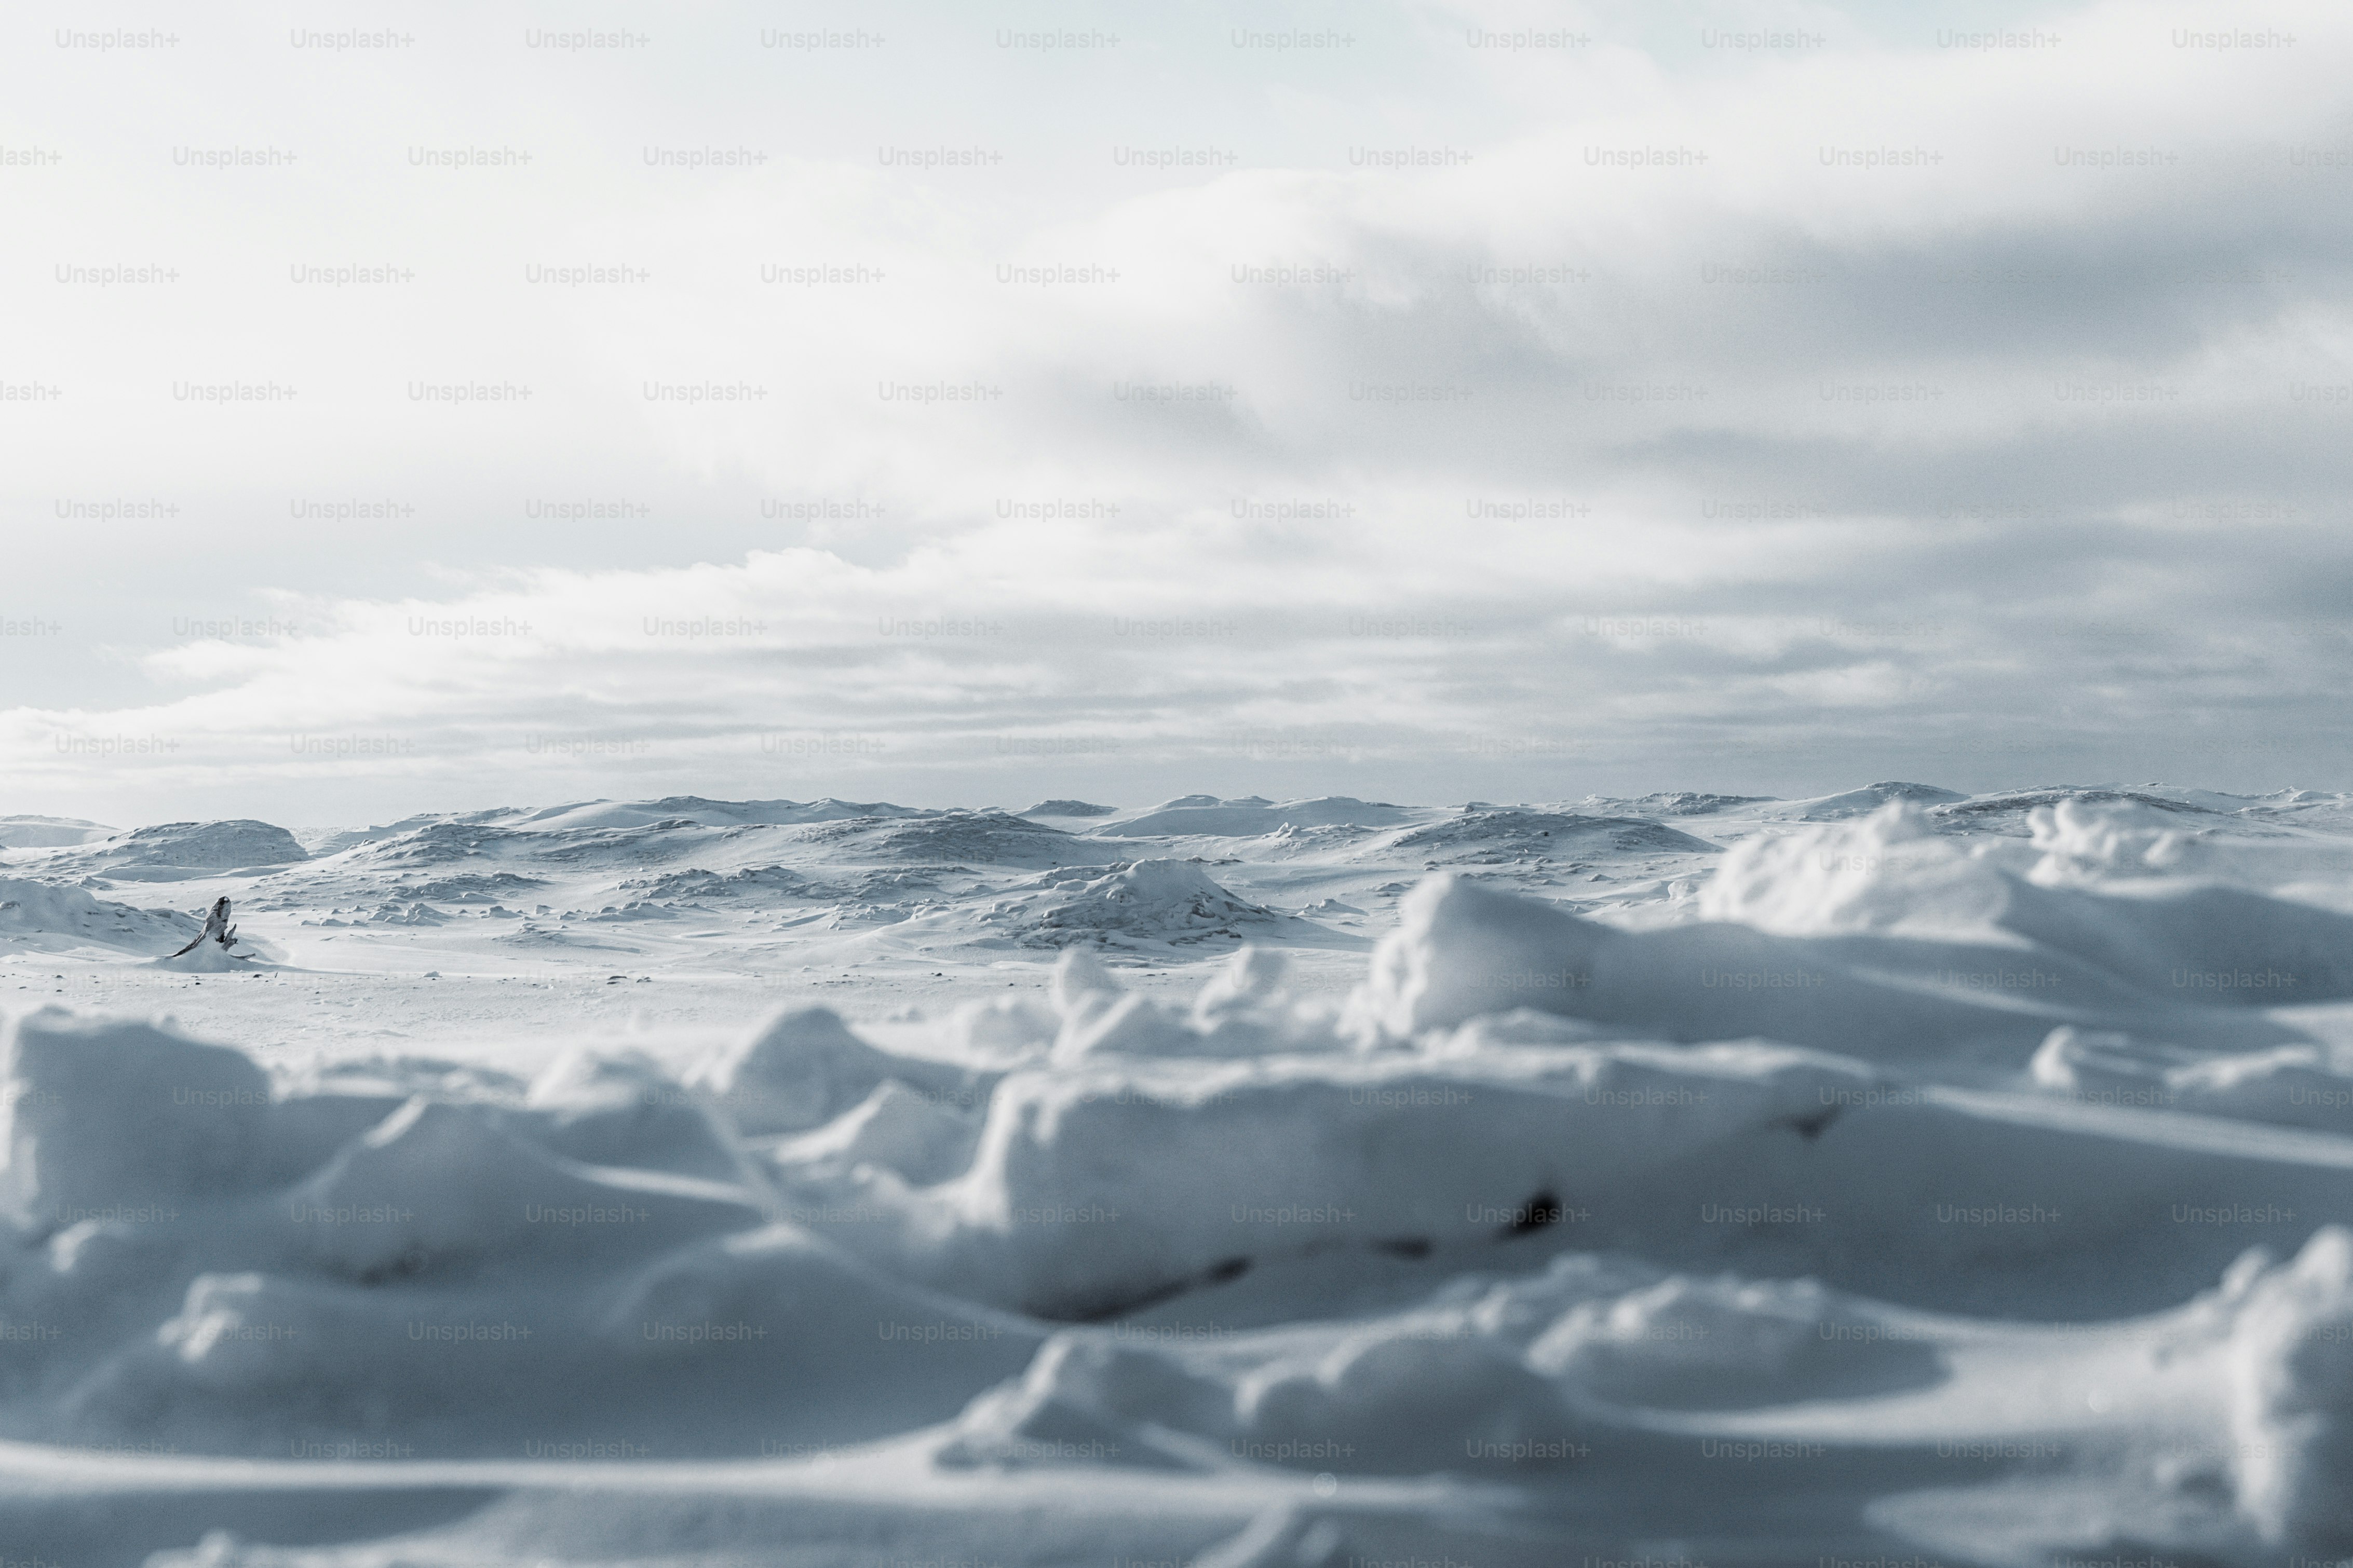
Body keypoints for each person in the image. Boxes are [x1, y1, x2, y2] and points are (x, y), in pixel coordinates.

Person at [168, 896, 236, 958]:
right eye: (226, 909)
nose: (227, 912)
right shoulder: (214, 917)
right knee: (194, 946)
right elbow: (201, 940)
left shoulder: (221, 920)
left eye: (228, 910)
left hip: (214, 944)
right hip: (206, 943)